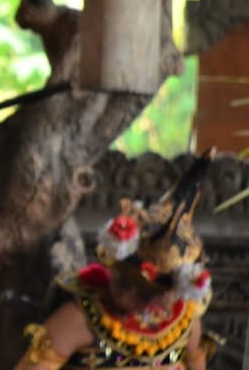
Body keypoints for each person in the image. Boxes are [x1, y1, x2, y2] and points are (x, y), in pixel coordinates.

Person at [13, 148, 218, 370]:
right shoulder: (80, 318)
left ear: (170, 295)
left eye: (145, 295)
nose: (125, 298)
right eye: (121, 282)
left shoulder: (185, 320)